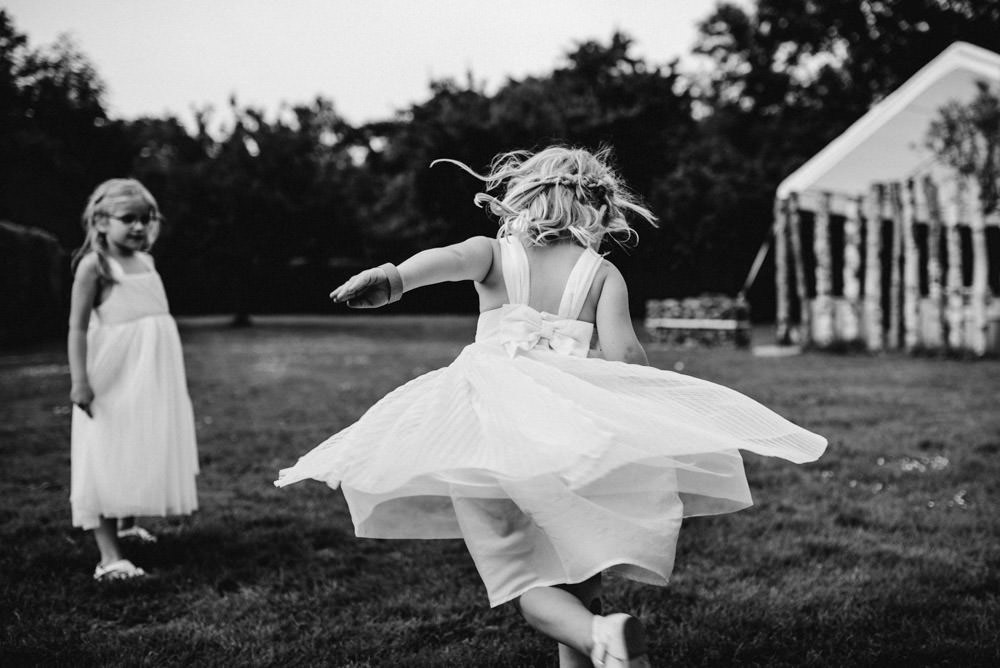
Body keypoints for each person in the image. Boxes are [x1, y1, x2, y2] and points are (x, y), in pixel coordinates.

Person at [276, 146, 826, 667]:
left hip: (492, 440)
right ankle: (598, 637)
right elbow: (626, 356)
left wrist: (392, 280)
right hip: (574, 441)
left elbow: (440, 262)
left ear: (522, 195)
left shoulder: (492, 253)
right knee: (579, 575)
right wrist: (655, 410)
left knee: (525, 581)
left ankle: (601, 635)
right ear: (595, 208)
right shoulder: (601, 273)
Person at [68, 178, 199, 581]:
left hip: (151, 372)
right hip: (113, 372)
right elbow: (76, 327)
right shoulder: (95, 266)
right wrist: (80, 381)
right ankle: (108, 556)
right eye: (129, 219)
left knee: (138, 444)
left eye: (147, 219)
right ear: (102, 221)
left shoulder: (146, 261)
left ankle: (127, 526)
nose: (140, 227)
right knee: (108, 451)